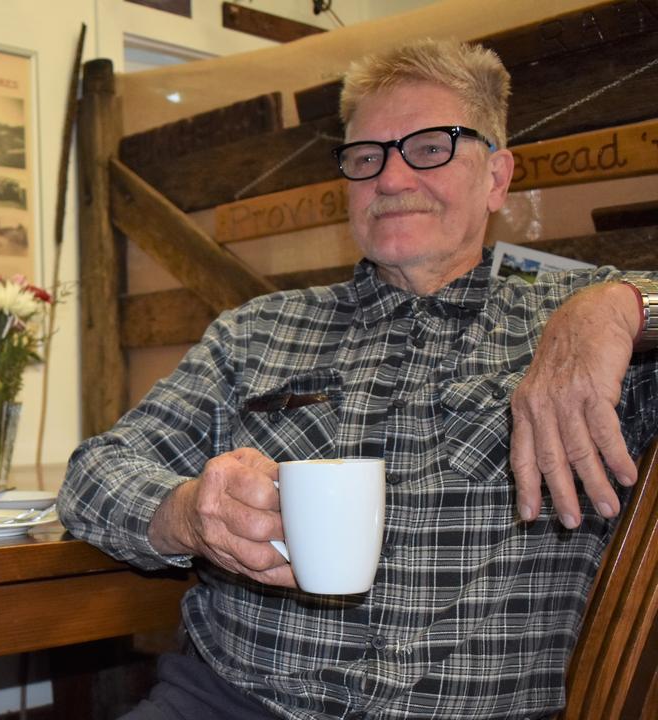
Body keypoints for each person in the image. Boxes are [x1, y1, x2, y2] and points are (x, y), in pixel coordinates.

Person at [58, 38, 658, 719]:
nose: (392, 179)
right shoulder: (257, 331)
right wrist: (187, 513)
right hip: (237, 701)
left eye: (430, 146)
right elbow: (94, 474)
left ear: (497, 176)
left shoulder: (580, 340)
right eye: (367, 157)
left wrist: (624, 307)